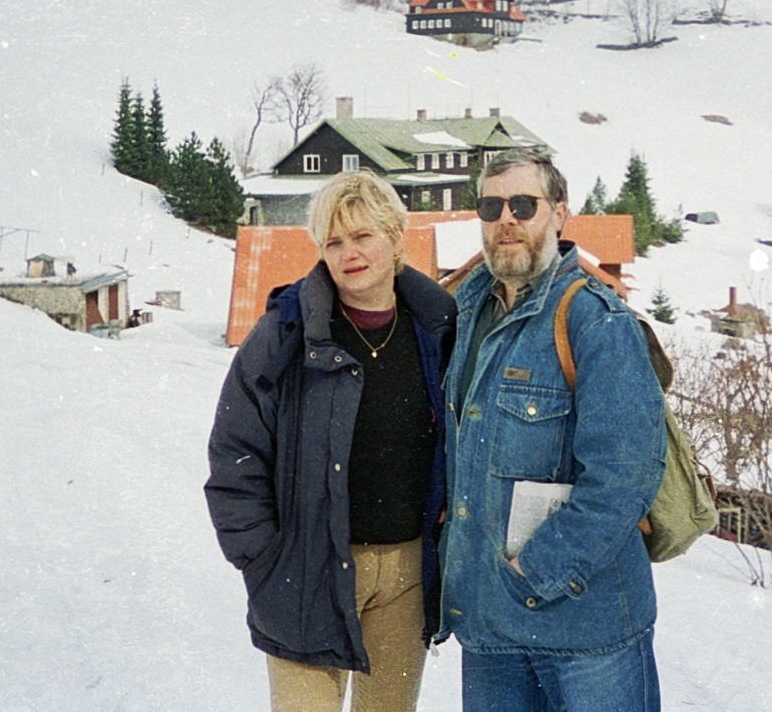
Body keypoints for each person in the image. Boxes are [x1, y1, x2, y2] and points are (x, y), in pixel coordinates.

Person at [206, 172, 456, 712]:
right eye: (334, 242)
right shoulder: (286, 333)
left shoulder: (438, 329)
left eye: (363, 236)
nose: (350, 254)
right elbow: (234, 452)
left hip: (407, 578)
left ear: (395, 237)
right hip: (306, 573)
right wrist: (263, 559)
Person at [440, 148, 667, 711]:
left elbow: (626, 477)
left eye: (523, 204)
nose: (506, 220)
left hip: (587, 635)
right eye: (491, 207)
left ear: (559, 214)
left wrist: (534, 570)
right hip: (492, 632)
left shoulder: (596, 321)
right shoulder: (464, 314)